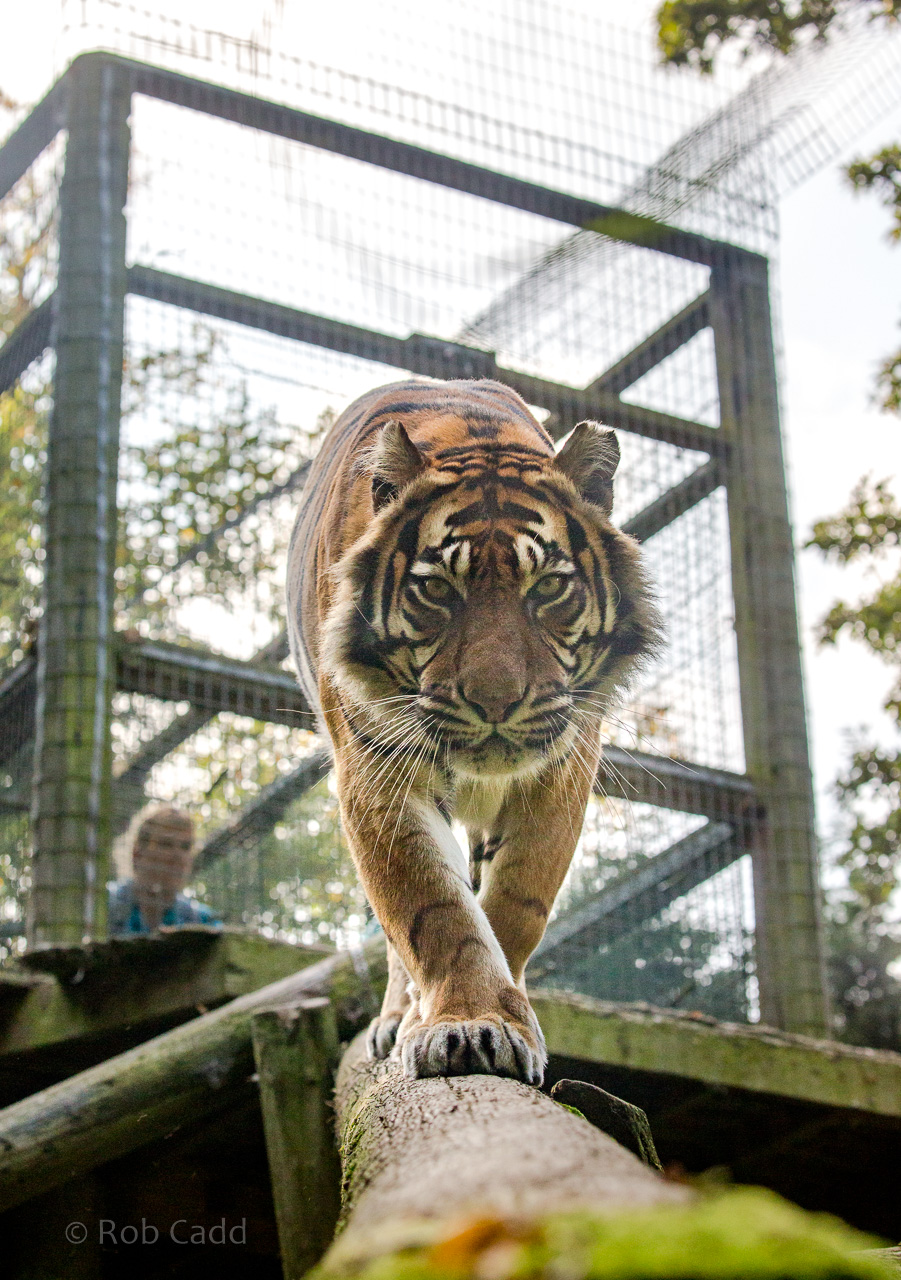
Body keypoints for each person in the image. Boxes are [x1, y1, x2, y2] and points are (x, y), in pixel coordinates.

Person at [108, 804, 221, 936]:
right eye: (166, 844)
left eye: (185, 847)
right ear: (137, 853)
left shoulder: (203, 923)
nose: (178, 856)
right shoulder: (103, 907)